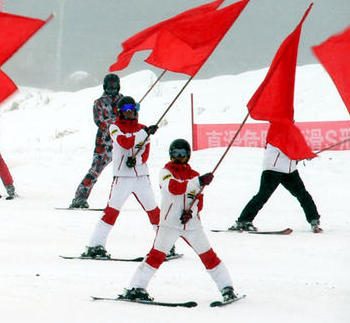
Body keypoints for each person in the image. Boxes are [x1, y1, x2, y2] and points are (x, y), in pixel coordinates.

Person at [121, 139, 237, 303]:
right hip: (170, 225)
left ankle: (227, 288)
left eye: (183, 154)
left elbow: (198, 201)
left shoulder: (195, 175)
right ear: (171, 154)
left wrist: (191, 213)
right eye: (176, 153)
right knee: (156, 256)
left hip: (192, 226)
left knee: (209, 256)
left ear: (188, 155)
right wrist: (199, 182)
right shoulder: (165, 172)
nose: (179, 157)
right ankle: (136, 287)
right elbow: (174, 188)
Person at [81, 96, 162, 259]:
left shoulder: (143, 128)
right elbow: (125, 143)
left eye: (132, 108)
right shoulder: (115, 128)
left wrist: (136, 161)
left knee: (153, 210)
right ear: (120, 111)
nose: (130, 112)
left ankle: (165, 244)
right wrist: (144, 134)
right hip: (122, 178)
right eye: (126, 110)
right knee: (111, 211)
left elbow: (144, 154)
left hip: (141, 177)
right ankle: (96, 245)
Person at [230, 131, 321, 233]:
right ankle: (243, 221)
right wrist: (303, 153)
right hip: (273, 169)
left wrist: (305, 154)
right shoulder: (275, 131)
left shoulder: (291, 132)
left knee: (302, 194)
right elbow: (285, 147)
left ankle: (314, 219)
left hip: (289, 170)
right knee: (262, 196)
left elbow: (295, 147)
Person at [70, 73, 123, 208]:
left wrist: (133, 109)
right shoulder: (99, 103)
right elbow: (99, 121)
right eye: (109, 86)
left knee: (125, 173)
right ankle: (79, 198)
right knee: (95, 170)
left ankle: (116, 201)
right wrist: (115, 124)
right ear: (104, 87)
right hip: (104, 144)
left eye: (114, 86)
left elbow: (130, 120)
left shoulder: (124, 101)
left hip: (121, 144)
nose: (112, 89)